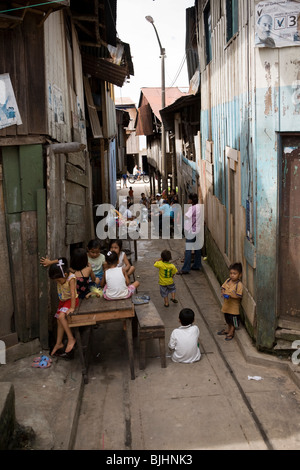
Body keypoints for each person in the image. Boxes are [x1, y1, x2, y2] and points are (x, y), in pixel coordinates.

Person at [48, 258, 78, 356]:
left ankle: (71, 338)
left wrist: (72, 308)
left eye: (58, 280)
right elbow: (61, 259)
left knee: (61, 317)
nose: (58, 282)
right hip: (63, 301)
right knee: (58, 319)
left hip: (71, 301)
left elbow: (73, 294)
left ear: (65, 275)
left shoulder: (71, 278)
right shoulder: (61, 275)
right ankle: (59, 343)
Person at [177, 193, 203, 275]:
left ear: (191, 200)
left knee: (188, 250)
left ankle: (185, 268)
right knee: (197, 249)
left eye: (189, 199)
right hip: (198, 230)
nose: (188, 200)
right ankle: (197, 265)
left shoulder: (192, 208)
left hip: (192, 231)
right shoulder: (199, 207)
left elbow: (186, 217)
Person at [217, 263, 243, 341]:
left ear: (240, 275)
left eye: (234, 274)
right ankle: (228, 329)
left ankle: (232, 331)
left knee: (233, 320)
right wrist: (223, 292)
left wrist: (231, 295)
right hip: (227, 305)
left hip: (234, 308)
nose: (232, 275)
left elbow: (239, 296)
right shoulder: (228, 280)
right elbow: (223, 287)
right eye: (231, 273)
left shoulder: (239, 285)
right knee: (227, 318)